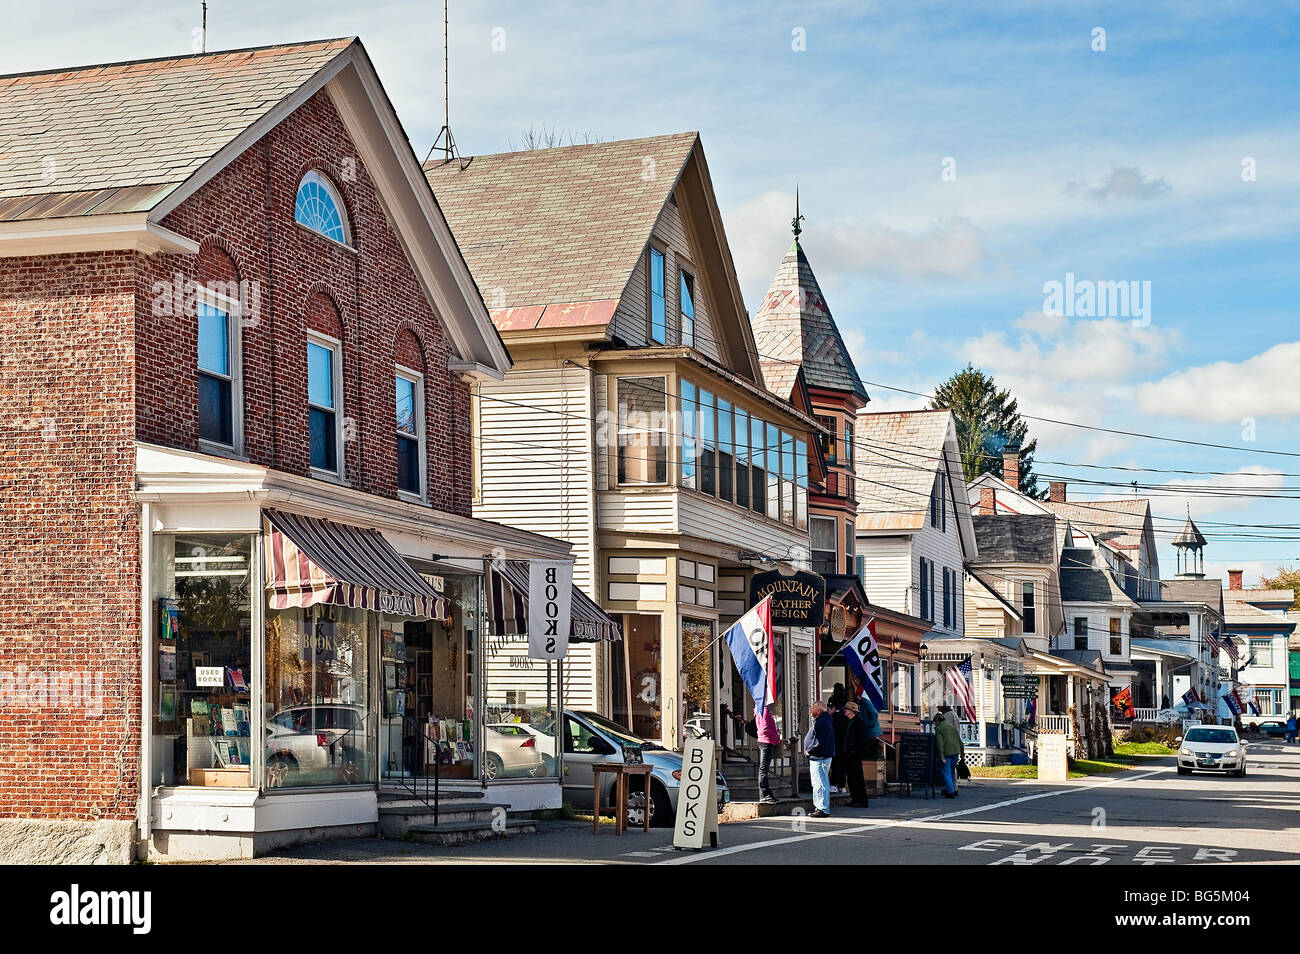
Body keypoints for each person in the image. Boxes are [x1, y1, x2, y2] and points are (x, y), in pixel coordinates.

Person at [803, 701, 836, 817]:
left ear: (818, 710)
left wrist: (809, 750)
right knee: (822, 782)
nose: (811, 710)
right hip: (822, 757)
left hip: (820, 757)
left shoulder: (822, 722)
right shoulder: (825, 720)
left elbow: (818, 742)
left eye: (813, 708)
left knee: (819, 783)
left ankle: (822, 808)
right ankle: (821, 807)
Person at [842, 701, 869, 807]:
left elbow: (864, 739)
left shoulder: (859, 722)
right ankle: (854, 798)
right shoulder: (849, 722)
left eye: (846, 709)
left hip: (855, 753)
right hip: (848, 753)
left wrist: (854, 749)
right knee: (851, 777)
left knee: (857, 777)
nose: (845, 711)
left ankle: (861, 800)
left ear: (851, 711)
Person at [933, 710, 963, 799]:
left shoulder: (939, 729)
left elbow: (940, 743)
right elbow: (960, 741)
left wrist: (941, 756)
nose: (935, 724)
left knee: (946, 772)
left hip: (946, 753)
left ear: (937, 721)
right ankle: (952, 789)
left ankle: (950, 792)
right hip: (956, 752)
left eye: (935, 722)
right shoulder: (951, 727)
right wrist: (963, 753)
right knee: (952, 771)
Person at [755, 706, 781, 803]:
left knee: (764, 769)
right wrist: (776, 736)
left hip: (766, 742)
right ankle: (764, 794)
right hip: (766, 742)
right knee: (763, 769)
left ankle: (767, 793)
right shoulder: (764, 711)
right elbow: (764, 729)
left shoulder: (761, 711)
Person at [828, 684, 848, 793]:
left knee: (835, 762)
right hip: (844, 739)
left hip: (835, 738)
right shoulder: (845, 702)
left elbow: (830, 711)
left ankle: (834, 784)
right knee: (843, 763)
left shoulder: (832, 700)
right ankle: (842, 785)